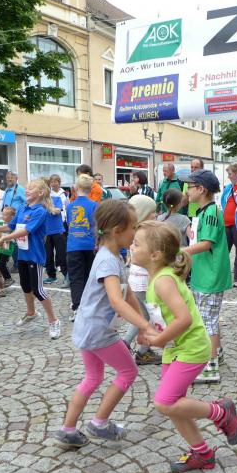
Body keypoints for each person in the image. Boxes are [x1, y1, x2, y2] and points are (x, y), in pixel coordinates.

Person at [133, 221, 237, 472]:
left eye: (136, 244)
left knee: (164, 403)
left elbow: (184, 319)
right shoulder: (156, 277)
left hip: (191, 348)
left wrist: (158, 340)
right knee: (174, 406)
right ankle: (203, 454)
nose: (132, 247)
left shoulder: (163, 281)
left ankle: (220, 412)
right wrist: (151, 332)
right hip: (176, 348)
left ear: (155, 254)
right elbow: (167, 318)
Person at [52, 200, 153, 448]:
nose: (136, 233)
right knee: (128, 372)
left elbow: (128, 293)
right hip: (99, 332)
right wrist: (145, 326)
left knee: (92, 378)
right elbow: (117, 301)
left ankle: (67, 431)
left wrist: (143, 321)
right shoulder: (108, 261)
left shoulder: (111, 255)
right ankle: (99, 423)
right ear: (117, 231)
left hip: (88, 328)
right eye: (133, 227)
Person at [0, 179, 62, 339]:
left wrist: (4, 238)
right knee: (26, 286)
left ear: (40, 193)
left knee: (38, 290)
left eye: (31, 188)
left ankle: (54, 321)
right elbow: (11, 226)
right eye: (26, 188)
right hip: (23, 255)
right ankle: (31, 313)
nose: (26, 190)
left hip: (35, 256)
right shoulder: (23, 208)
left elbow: (26, 231)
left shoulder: (40, 211)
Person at [181, 169, 231, 384]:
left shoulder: (210, 213)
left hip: (210, 276)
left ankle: (210, 367)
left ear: (201, 189)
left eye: (190, 187)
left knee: (206, 321)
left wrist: (179, 252)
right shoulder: (204, 211)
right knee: (208, 317)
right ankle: (216, 352)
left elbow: (206, 244)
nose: (186, 191)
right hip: (204, 274)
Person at [123, 195, 162, 366]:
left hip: (136, 281)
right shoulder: (146, 234)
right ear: (143, 214)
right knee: (152, 317)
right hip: (145, 282)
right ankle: (142, 351)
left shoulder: (134, 231)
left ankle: (126, 344)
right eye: (153, 212)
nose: (156, 215)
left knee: (141, 316)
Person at [66, 174, 99, 321]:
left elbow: (68, 224)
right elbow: (96, 226)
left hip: (73, 245)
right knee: (88, 276)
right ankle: (88, 305)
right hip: (90, 245)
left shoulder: (70, 206)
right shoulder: (94, 205)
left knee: (75, 278)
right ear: (90, 189)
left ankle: (77, 307)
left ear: (76, 188)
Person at [43, 180, 67, 285]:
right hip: (46, 232)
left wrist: (48, 206)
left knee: (62, 255)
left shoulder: (56, 198)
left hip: (58, 230)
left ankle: (67, 276)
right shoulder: (39, 201)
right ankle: (51, 276)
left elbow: (57, 211)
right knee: (48, 255)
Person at [0, 206, 17, 286]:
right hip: (1, 244)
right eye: (3, 214)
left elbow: (14, 235)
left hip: (9, 245)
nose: (3, 216)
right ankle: (7, 277)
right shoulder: (1, 222)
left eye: (5, 215)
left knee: (1, 262)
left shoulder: (14, 225)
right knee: (1, 262)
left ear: (12, 216)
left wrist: (8, 238)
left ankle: (8, 278)